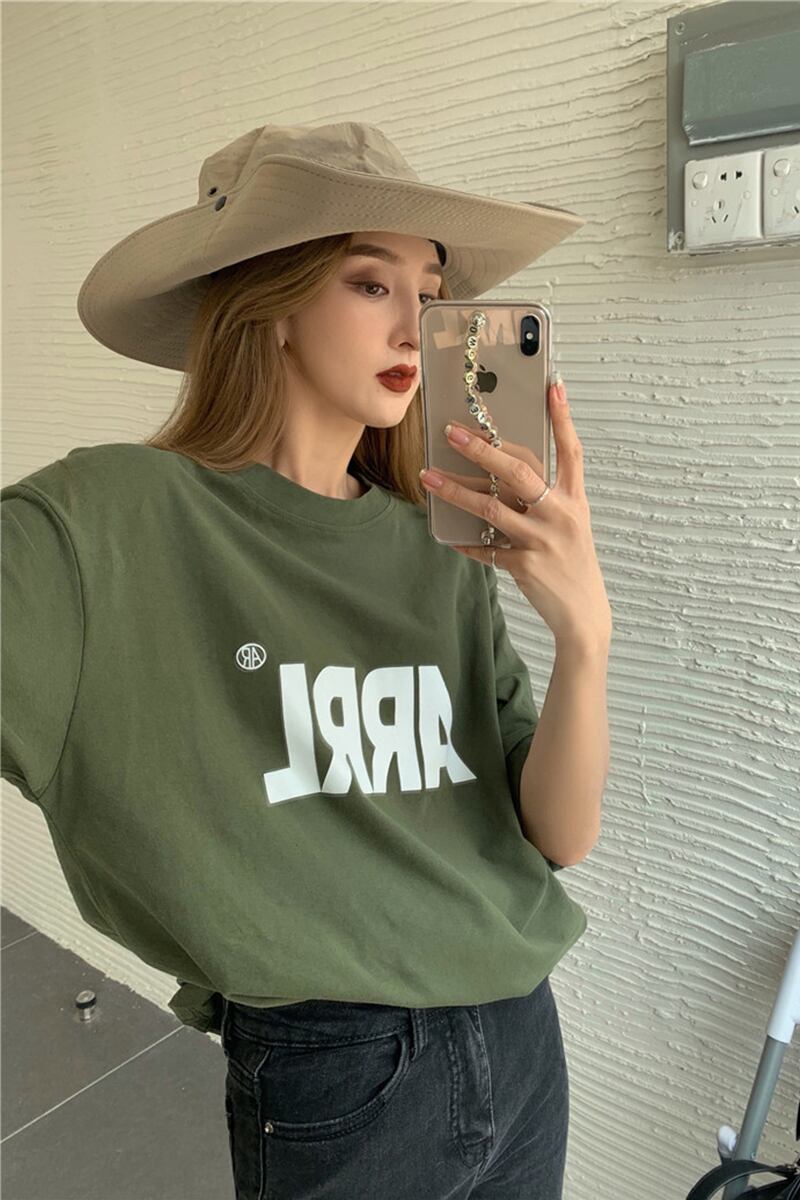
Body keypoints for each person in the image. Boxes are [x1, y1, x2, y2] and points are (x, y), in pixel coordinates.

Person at [2, 120, 593, 1199]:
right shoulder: (106, 525)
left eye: (431, 292)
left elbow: (558, 835)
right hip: (343, 1071)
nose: (416, 325)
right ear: (268, 303)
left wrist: (584, 636)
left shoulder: (440, 541)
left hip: (521, 1037)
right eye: (370, 284)